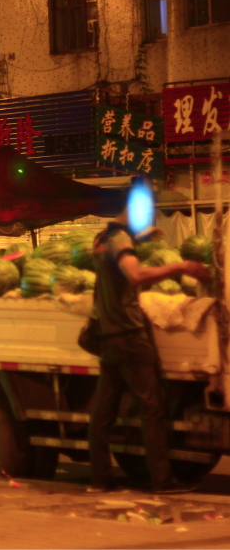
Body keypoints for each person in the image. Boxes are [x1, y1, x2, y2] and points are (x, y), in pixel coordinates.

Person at [87, 188, 211, 495]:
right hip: (130, 338)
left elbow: (117, 262)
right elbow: (137, 274)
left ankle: (100, 480)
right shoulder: (119, 240)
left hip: (109, 339)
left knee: (102, 414)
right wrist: (180, 267)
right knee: (152, 408)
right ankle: (162, 481)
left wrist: (141, 238)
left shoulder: (103, 240)